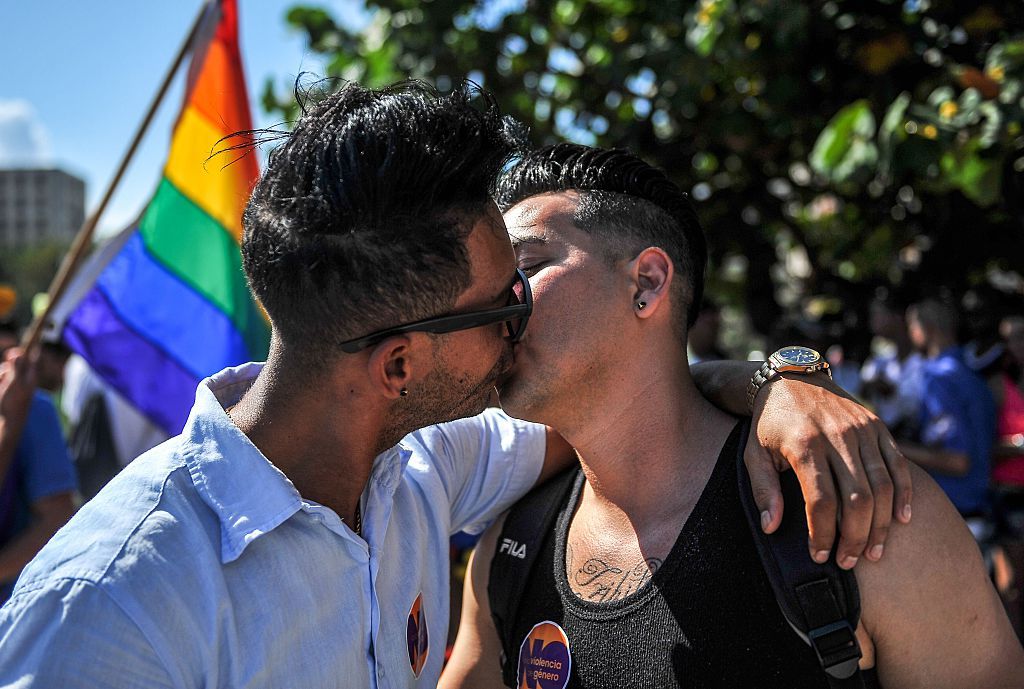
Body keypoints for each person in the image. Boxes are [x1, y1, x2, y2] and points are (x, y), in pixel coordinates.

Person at [0, 84, 908, 688]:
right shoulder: (109, 609)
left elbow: (623, 399)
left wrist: (777, 381)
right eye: (502, 301)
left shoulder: (416, 466)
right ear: (399, 365)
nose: (522, 321)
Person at [441, 144, 1024, 689]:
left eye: (526, 267)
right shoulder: (511, 548)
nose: (499, 306)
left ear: (646, 282)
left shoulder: (860, 516)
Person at [901, 299, 996, 526]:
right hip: (979, 504)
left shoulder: (939, 377)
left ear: (928, 329)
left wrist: (892, 447)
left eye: (912, 326)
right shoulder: (973, 370)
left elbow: (957, 461)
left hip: (956, 512)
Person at [859, 290, 925, 440]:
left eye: (878, 313)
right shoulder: (879, 361)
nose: (872, 320)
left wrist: (892, 391)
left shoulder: (925, 362)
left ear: (898, 317)